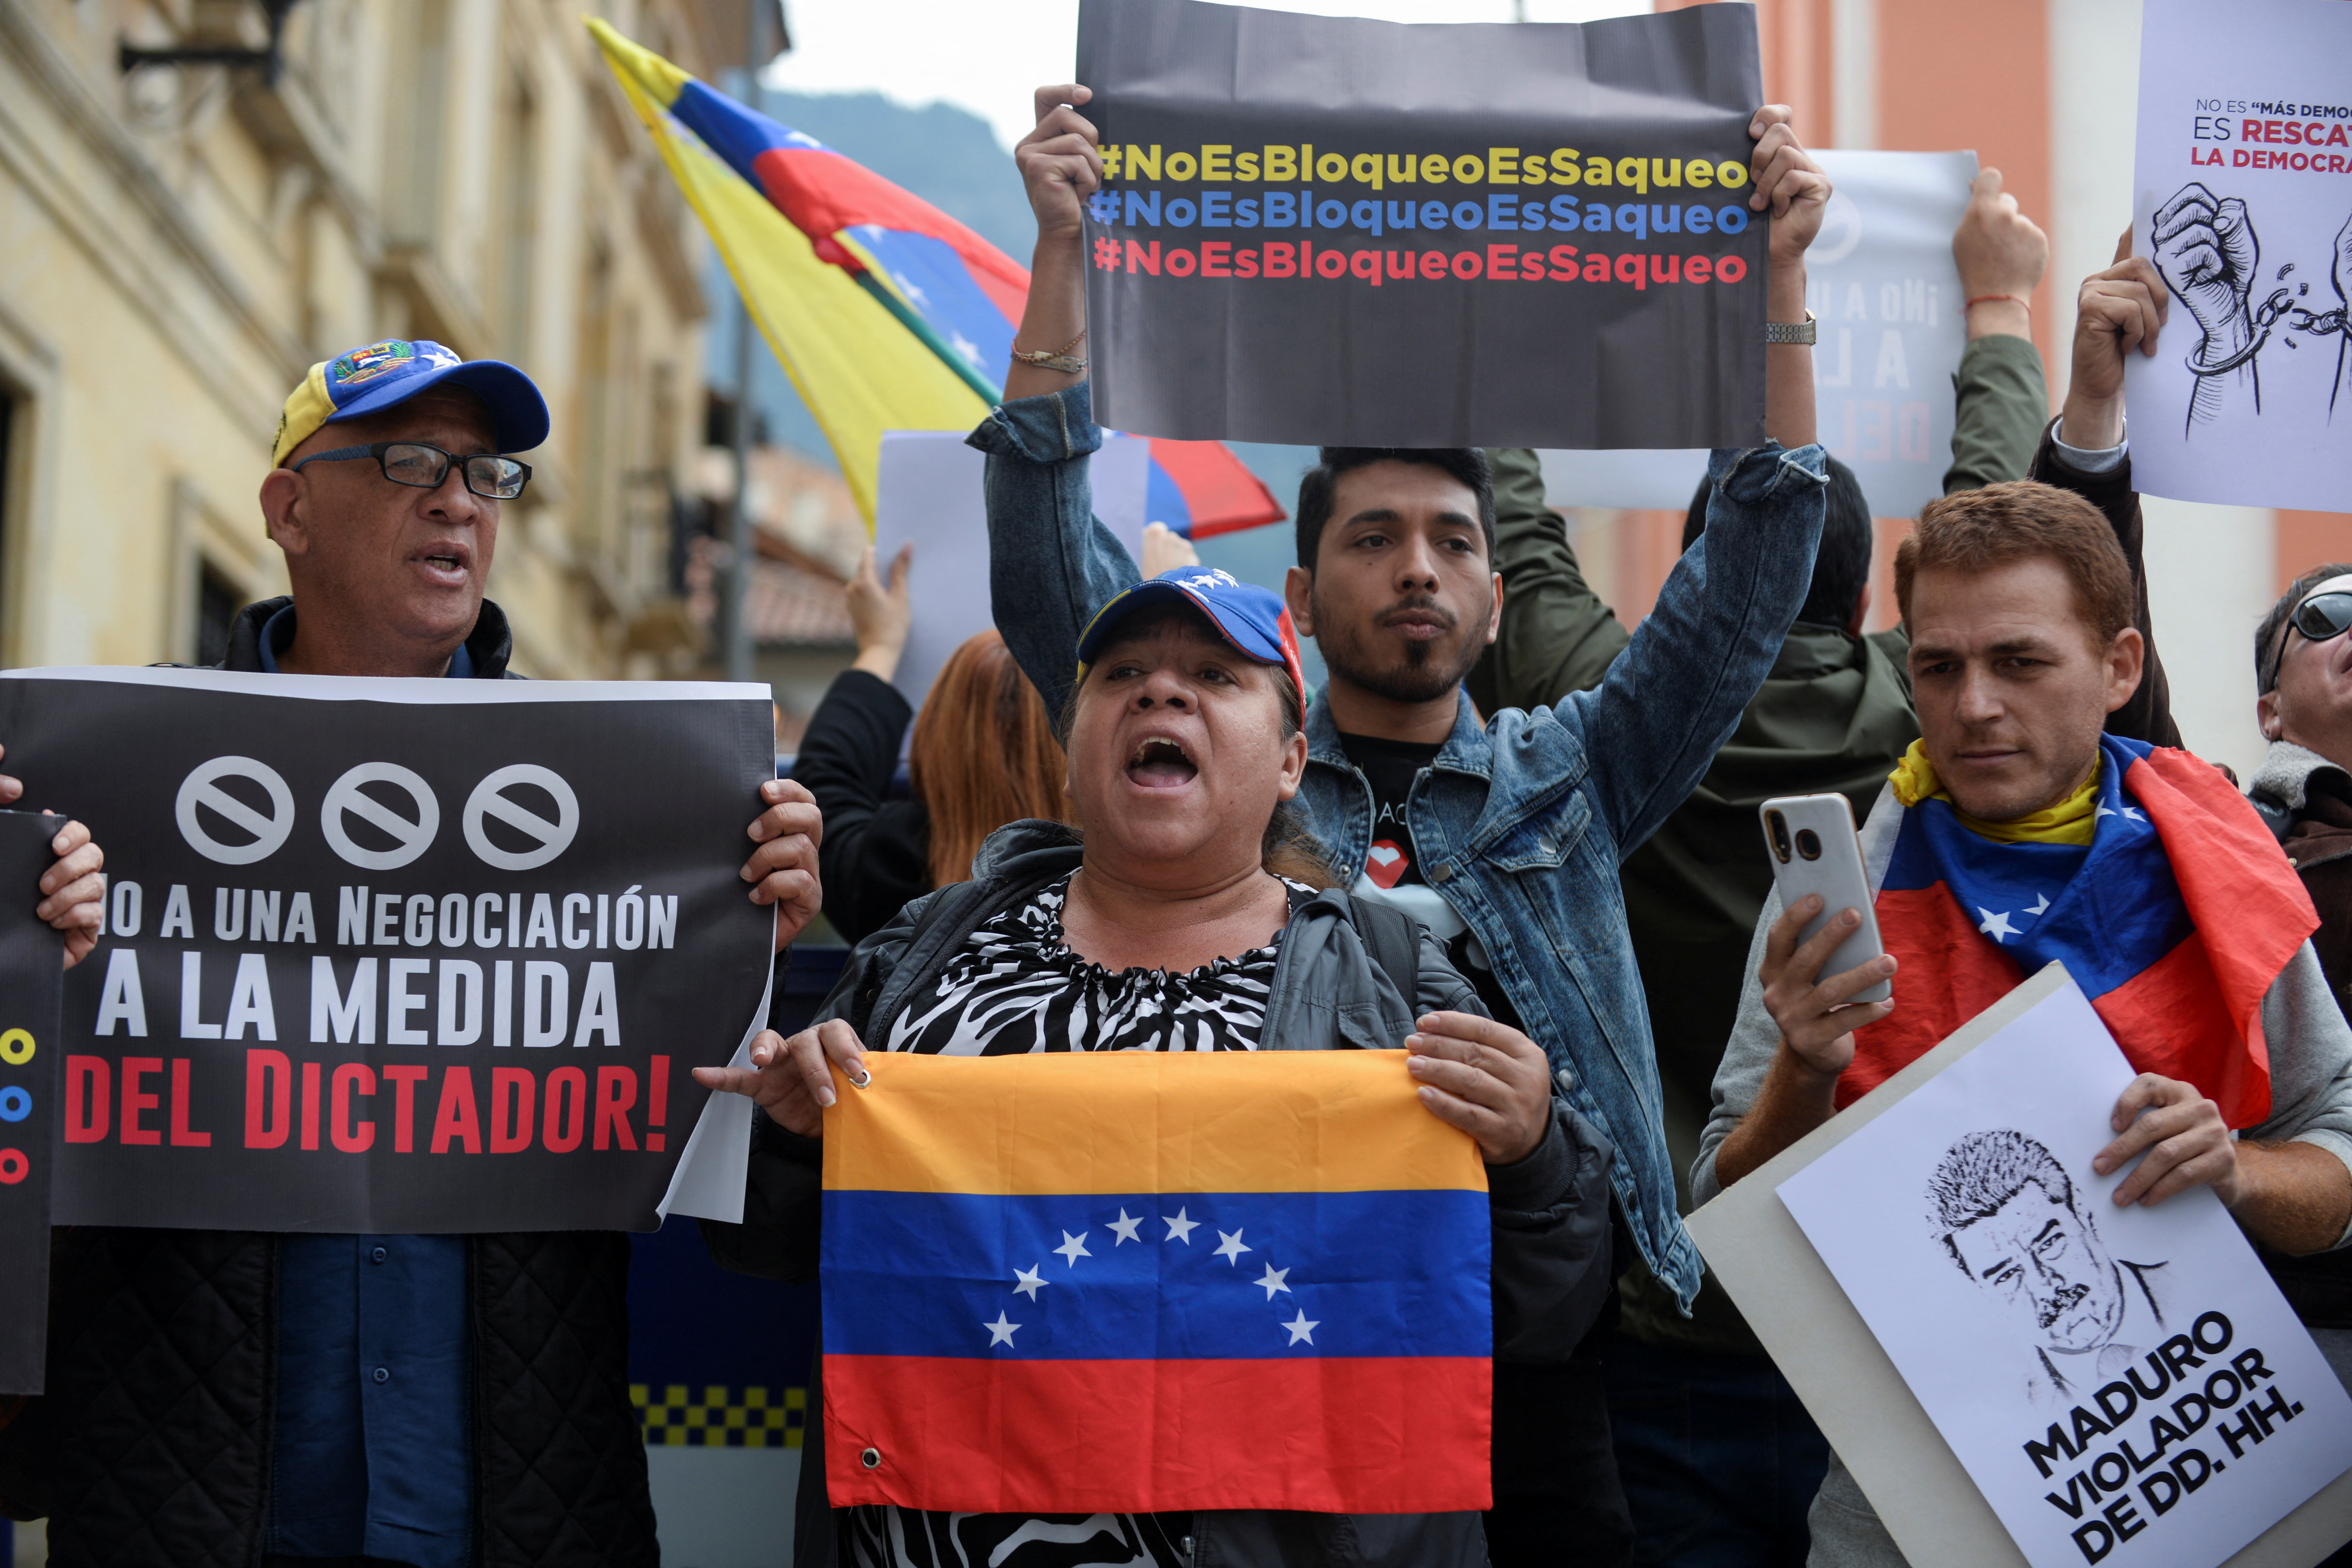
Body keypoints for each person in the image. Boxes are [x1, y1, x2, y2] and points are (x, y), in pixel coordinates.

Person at [975, 80, 1833, 1566]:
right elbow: (1057, 569)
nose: (1419, 568)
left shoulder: (1570, 776)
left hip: (1549, 1345)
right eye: (1374, 538)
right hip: (1281, 1320)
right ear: (1304, 602)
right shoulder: (1225, 779)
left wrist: (1781, 282)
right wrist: (1064, 253)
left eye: (1453, 541)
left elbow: (1755, 553)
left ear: (1499, 597)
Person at [0, 337, 827, 1568]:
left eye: (486, 475)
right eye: (406, 463)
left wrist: (745, 974)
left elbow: (758, 1231)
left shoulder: (633, 808)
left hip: (526, 1521)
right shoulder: (106, 783)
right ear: (288, 508)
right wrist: (18, 950)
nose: (457, 500)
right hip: (188, 1516)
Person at [1466, 192, 2188, 1566]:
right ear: (1883, 614)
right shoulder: (1920, 713)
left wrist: (1501, 343)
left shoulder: (1593, 708)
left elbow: (1520, 538)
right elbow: (1992, 529)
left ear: (1694, 585)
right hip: (1892, 1330)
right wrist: (1997, 311)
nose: (1973, 686)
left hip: (1660, 1322)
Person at [697, 567, 1618, 1568]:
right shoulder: (920, 953)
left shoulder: (1395, 984)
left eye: (1214, 675)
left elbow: (1541, 1316)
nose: (1160, 691)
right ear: (1071, 742)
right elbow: (763, 1249)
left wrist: (1530, 1151)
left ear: (1289, 761)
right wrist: (790, 1131)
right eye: (1123, 671)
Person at [1694, 470, 2352, 1564]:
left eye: (2019, 660)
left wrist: (2234, 1168)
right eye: (1939, 667)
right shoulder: (1840, 885)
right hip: (1909, 1515)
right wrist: (1801, 1072)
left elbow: (2335, 1141)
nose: (1973, 704)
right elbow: (1727, 1213)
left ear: (2118, 666)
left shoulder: (2216, 853)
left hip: (2208, 1480)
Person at [794, 542, 1070, 943]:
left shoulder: (890, 865)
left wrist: (879, 647)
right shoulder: (1108, 872)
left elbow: (825, 789)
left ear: (933, 735)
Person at [1924, 1129, 2172, 1407]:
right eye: (2007, 1275)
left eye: (2048, 1243)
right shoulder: (2018, 1409)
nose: (2044, 1284)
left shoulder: (2204, 1280)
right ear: (1980, 1289)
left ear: (2082, 1213)